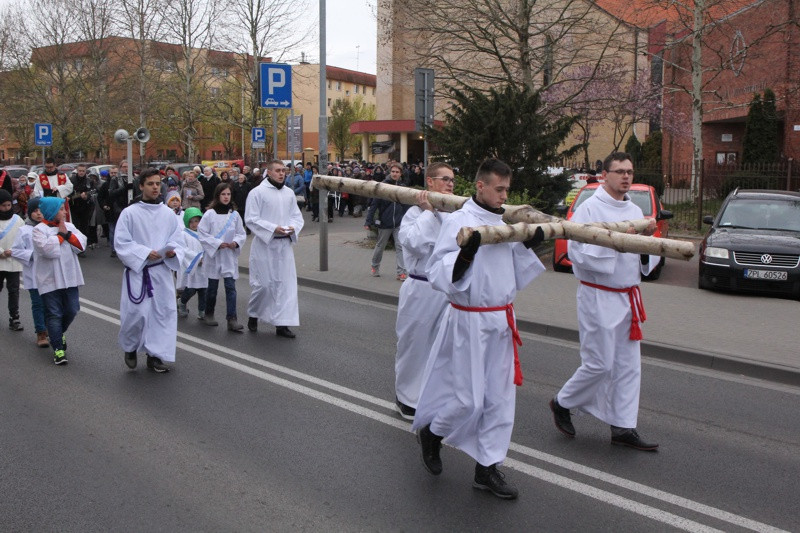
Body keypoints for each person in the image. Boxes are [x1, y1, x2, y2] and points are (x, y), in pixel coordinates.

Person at [412, 158, 546, 500]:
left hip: (501, 318)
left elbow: (516, 271)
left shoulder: (507, 224)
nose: (504, 196)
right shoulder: (459, 221)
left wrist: (531, 243)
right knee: (468, 399)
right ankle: (432, 432)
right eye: (498, 189)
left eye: (507, 190)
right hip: (468, 318)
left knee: (499, 400)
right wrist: (466, 254)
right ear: (480, 186)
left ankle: (487, 468)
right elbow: (439, 271)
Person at [549, 152, 660, 451]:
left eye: (630, 171)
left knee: (627, 366)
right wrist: (623, 240)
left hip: (628, 296)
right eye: (620, 171)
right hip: (598, 294)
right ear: (605, 174)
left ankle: (623, 426)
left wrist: (647, 243)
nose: (626, 176)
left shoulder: (635, 209)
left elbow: (645, 257)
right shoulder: (589, 210)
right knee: (599, 363)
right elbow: (578, 255)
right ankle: (562, 402)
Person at [394, 163, 455, 420]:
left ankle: (434, 395)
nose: (451, 184)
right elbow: (414, 244)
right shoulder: (414, 213)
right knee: (414, 344)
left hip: (447, 291)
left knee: (442, 348)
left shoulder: (455, 213)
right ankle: (406, 396)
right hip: (420, 288)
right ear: (430, 182)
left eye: (453, 179)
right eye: (445, 179)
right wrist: (429, 213)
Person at [114, 168, 185, 373]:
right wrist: (145, 252)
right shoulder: (130, 213)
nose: (155, 187)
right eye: (151, 184)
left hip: (161, 272)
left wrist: (172, 253)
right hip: (139, 272)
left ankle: (155, 356)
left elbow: (177, 239)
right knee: (136, 314)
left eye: (158, 183)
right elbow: (121, 242)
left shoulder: (167, 214)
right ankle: (130, 347)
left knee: (162, 314)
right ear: (141, 186)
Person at [244, 160, 304, 338]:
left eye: (283, 171)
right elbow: (251, 218)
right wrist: (272, 228)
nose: (282, 174)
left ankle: (282, 324)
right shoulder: (257, 193)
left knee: (285, 286)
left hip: (284, 246)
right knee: (264, 285)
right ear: (268, 172)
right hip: (265, 245)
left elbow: (297, 216)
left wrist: (292, 227)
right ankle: (254, 313)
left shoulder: (289, 193)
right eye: (278, 170)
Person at [32, 197, 87, 365]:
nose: (65, 212)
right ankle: (58, 349)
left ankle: (57, 332)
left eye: (64, 208)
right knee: (54, 313)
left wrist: (67, 234)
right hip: (49, 279)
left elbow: (81, 244)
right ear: (51, 211)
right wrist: (61, 236)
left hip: (70, 277)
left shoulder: (69, 226)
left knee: (72, 309)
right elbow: (47, 249)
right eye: (61, 209)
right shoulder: (39, 230)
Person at [197, 183, 246, 331]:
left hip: (229, 256)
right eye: (223, 194)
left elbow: (241, 233)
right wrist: (218, 243)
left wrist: (235, 243)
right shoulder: (209, 214)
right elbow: (202, 233)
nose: (226, 197)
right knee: (212, 288)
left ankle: (232, 318)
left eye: (228, 194)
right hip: (214, 256)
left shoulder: (234, 215)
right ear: (218, 195)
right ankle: (209, 313)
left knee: (231, 287)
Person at [10, 197, 49, 346]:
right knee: (38, 304)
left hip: (50, 274)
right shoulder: (24, 230)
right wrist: (31, 255)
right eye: (35, 211)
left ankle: (51, 328)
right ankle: (41, 333)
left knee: (51, 305)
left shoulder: (50, 228)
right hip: (33, 275)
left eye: (41, 211)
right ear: (29, 212)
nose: (39, 214)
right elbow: (16, 251)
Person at [365, 162, 410, 280]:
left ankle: (401, 272)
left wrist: (409, 219)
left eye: (397, 172)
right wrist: (368, 221)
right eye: (393, 171)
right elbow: (374, 204)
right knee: (380, 246)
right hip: (385, 222)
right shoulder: (383, 186)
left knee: (400, 246)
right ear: (390, 172)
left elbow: (406, 205)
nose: (395, 174)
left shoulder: (402, 187)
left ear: (401, 174)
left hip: (399, 223)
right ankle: (375, 267)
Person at [0, 189, 25, 332]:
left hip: (13, 261)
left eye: (8, 205)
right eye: (3, 206)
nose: (6, 208)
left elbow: (23, 239)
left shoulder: (18, 220)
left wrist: (14, 251)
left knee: (14, 290)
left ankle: (14, 317)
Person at [177, 207, 207, 321]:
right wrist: (197, 259)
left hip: (204, 267)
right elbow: (184, 250)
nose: (195, 224)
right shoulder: (184, 234)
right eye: (191, 221)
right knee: (191, 289)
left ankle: (202, 311)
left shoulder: (204, 234)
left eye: (197, 221)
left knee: (204, 290)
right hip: (192, 267)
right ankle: (182, 302)